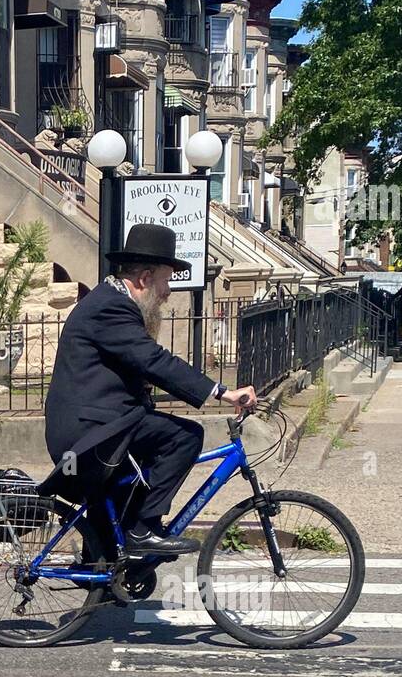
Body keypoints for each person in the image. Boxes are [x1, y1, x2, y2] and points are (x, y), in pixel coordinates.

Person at [41, 223, 257, 558]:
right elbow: (154, 362)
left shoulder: (110, 301)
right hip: (88, 431)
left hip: (98, 423)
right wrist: (221, 392)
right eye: (166, 279)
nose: (169, 291)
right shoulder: (111, 308)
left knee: (132, 488)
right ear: (144, 278)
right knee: (183, 437)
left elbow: (140, 369)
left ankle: (103, 565)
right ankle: (143, 532)